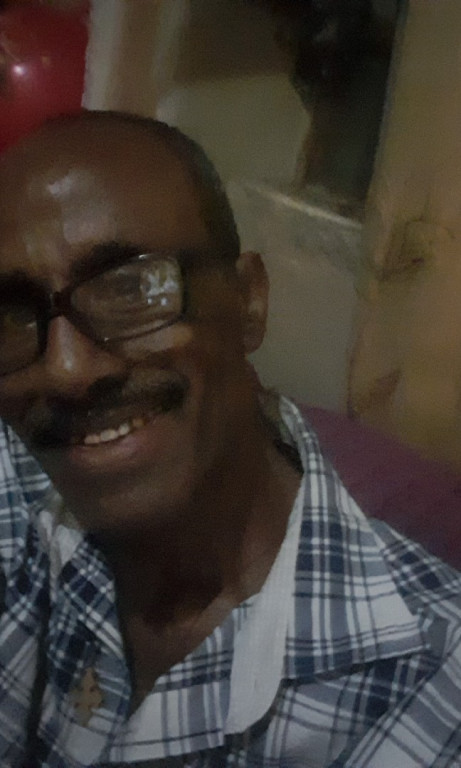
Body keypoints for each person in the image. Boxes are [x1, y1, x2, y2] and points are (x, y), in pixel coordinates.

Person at [0, 111, 459, 768]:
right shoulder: (19, 490)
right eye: (12, 316)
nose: (67, 371)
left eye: (131, 288)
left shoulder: (430, 693)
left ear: (248, 301)